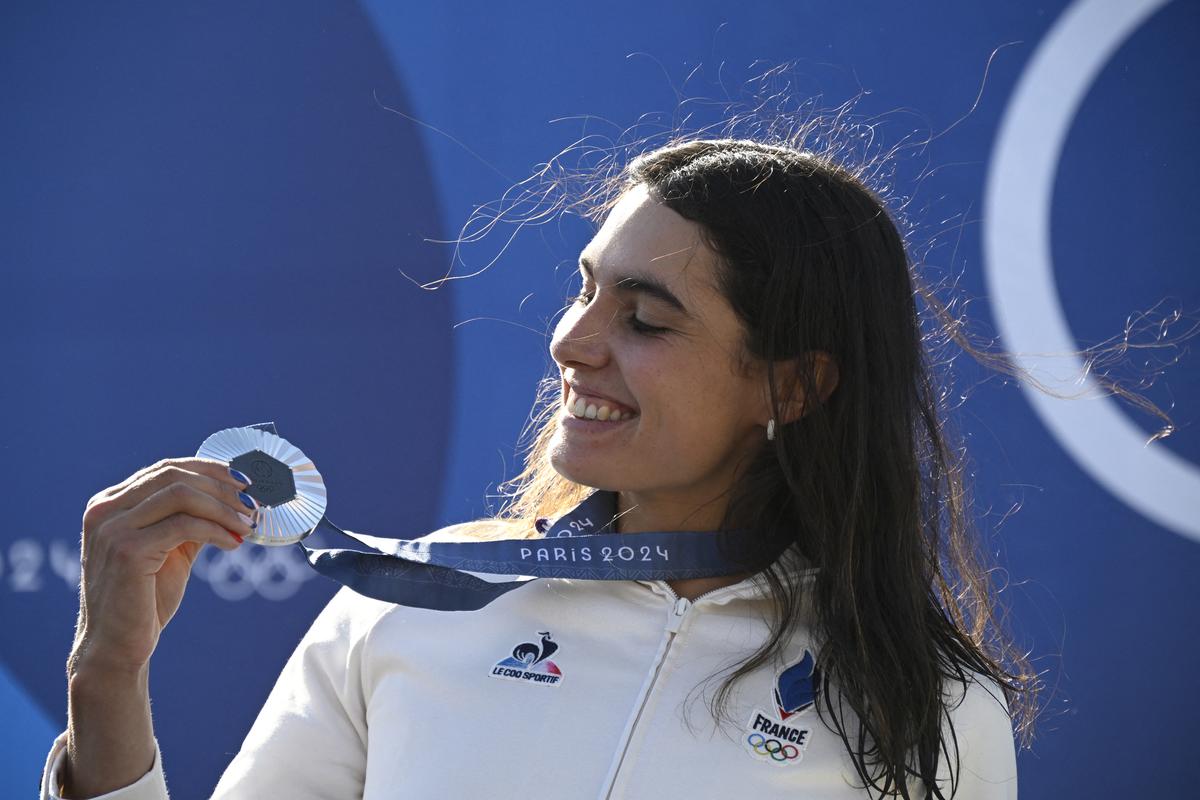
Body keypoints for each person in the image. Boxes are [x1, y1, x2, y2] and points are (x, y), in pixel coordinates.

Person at [42, 138, 1034, 799]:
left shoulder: (936, 712)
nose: (571, 341)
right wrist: (108, 678)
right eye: (585, 290)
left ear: (793, 386)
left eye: (643, 318)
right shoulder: (413, 600)